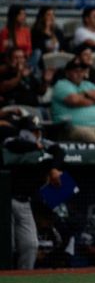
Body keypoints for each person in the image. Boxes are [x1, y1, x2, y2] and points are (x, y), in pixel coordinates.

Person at [3, 115, 66, 270]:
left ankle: (24, 280)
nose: (37, 134)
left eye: (38, 131)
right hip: (4, 202)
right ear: (24, 131)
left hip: (24, 202)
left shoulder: (42, 144)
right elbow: (15, 145)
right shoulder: (11, 141)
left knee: (31, 245)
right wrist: (35, 147)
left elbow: (59, 150)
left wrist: (54, 168)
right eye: (33, 131)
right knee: (6, 245)